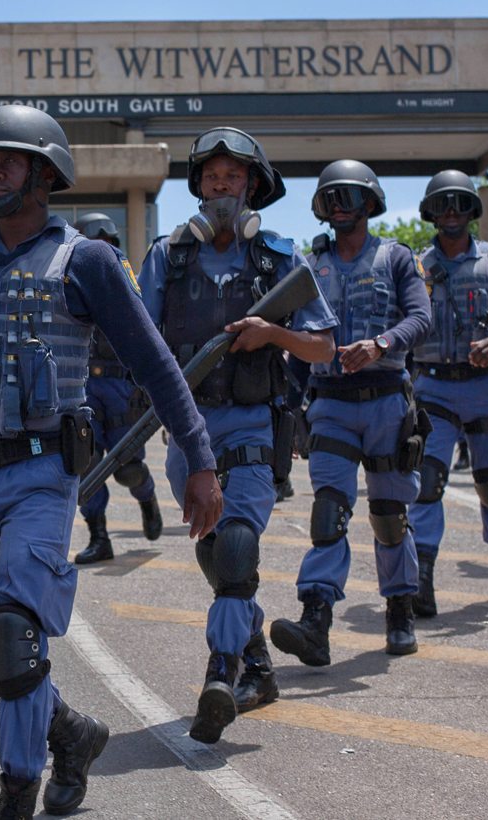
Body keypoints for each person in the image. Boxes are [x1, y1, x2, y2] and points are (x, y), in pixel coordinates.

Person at [0, 105, 222, 819]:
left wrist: (198, 458)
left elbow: (157, 366)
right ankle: (72, 734)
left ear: (46, 173)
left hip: (40, 478)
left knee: (15, 641)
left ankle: (17, 796)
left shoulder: (88, 260)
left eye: (7, 160)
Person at [137, 128, 337, 740]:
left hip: (253, 426)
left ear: (252, 187)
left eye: (233, 177)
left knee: (235, 551)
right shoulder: (166, 258)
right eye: (211, 176)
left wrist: (271, 334)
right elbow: (136, 340)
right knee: (215, 555)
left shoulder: (279, 258)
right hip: (186, 434)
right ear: (198, 186)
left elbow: (324, 348)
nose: (221, 186)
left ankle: (218, 677)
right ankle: (256, 663)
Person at [268, 159, 431, 665]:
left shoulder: (398, 258)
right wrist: (292, 410)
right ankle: (316, 620)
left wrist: (382, 344)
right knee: (329, 512)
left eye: (349, 197)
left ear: (369, 203)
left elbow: (422, 316)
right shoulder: (307, 268)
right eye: (330, 198)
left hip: (385, 400)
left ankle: (400, 609)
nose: (340, 206)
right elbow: (296, 343)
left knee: (388, 514)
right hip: (331, 405)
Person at [406, 170, 488, 616]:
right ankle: (422, 580)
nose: (452, 213)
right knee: (427, 484)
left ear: (473, 211)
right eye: (443, 205)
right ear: (431, 213)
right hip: (433, 387)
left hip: (485, 388)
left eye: (460, 204)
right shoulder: (417, 267)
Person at [70, 211, 163, 564]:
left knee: (128, 467)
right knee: (87, 465)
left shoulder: (130, 283)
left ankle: (147, 497)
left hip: (121, 385)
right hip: (83, 386)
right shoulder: (67, 280)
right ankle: (99, 537)